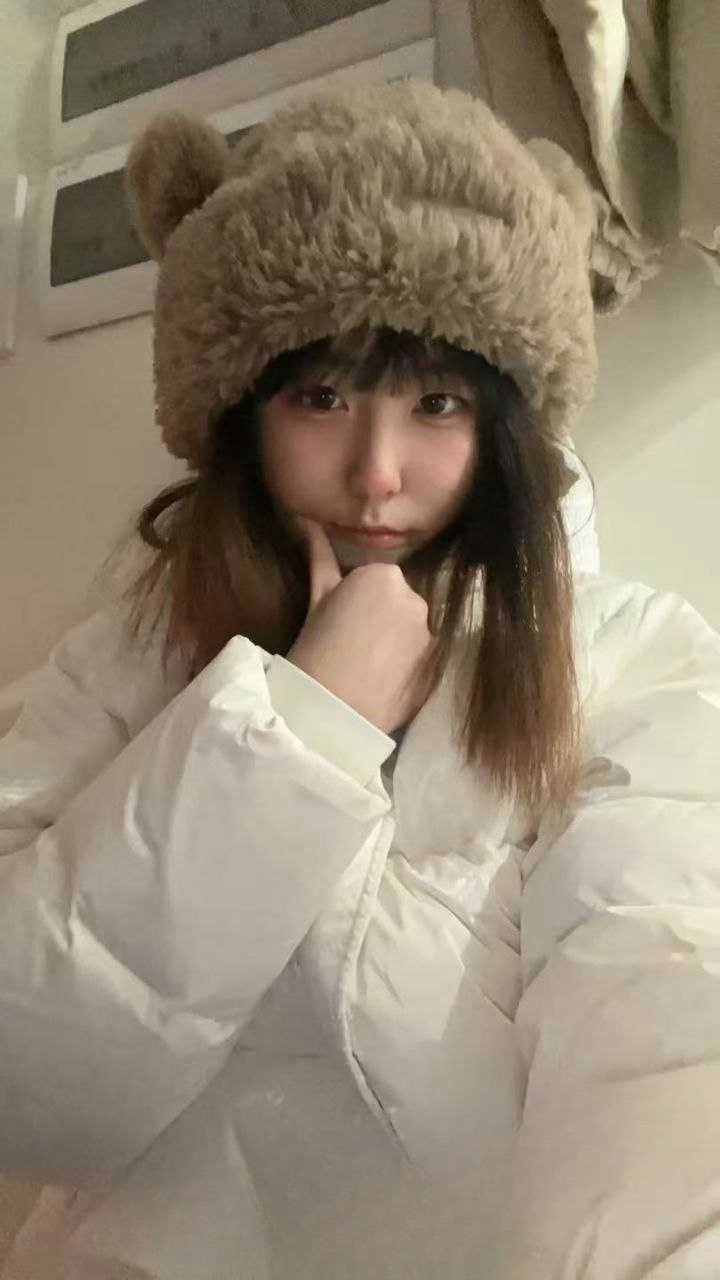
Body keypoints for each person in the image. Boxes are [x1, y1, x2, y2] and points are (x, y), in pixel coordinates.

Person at [0, 79, 719, 1280]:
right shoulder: (132, 647)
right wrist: (297, 722)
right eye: (321, 396)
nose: (377, 472)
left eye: (436, 401)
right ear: (244, 411)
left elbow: (667, 1008)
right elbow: (25, 1081)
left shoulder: (628, 658)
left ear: (504, 423)